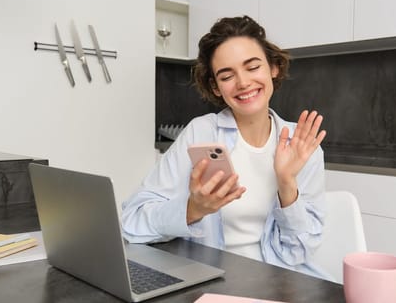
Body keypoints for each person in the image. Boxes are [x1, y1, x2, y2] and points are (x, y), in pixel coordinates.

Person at [121, 15, 328, 278]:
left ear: (273, 68)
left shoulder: (302, 146)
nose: (242, 83)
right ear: (216, 87)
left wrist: (287, 183)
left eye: (252, 67)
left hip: (282, 282)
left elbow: (298, 253)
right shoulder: (201, 133)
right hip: (214, 281)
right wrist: (193, 209)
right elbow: (132, 222)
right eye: (227, 75)